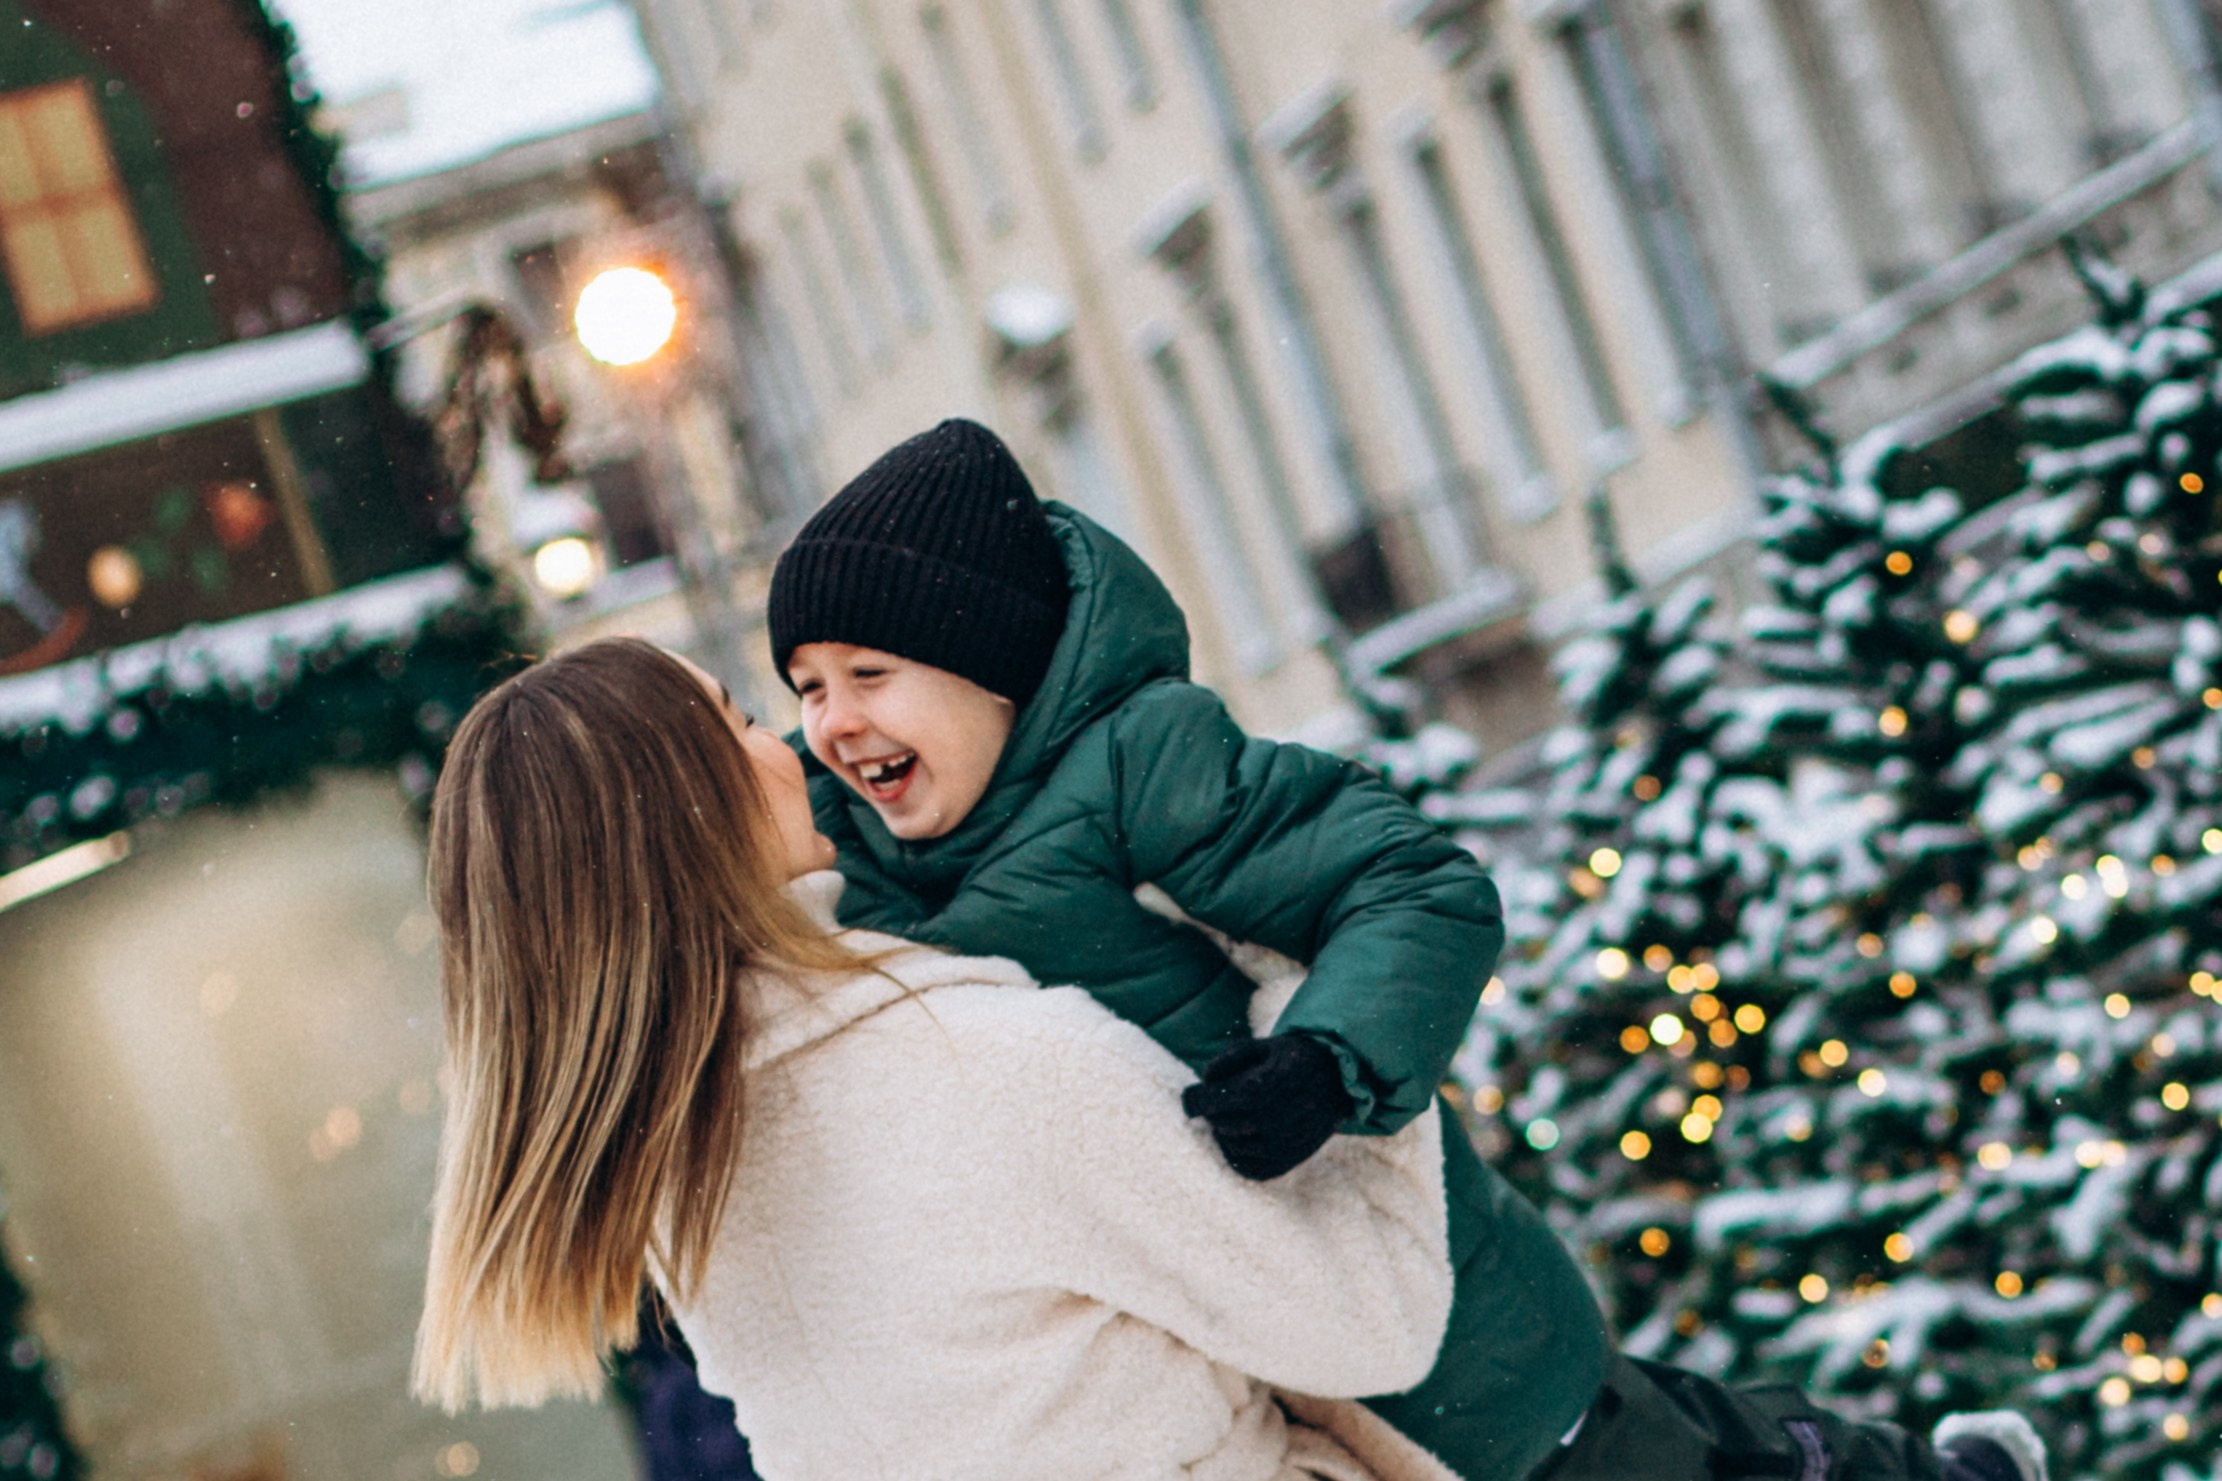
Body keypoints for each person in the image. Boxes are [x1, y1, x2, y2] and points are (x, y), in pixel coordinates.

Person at [765, 418, 2050, 1481]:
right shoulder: (868, 865)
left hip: (1426, 1308)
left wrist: (1325, 1061)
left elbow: (1408, 883)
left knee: (1668, 1463)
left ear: (995, 667)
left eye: (869, 672)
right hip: (1261, 1346)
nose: (831, 722)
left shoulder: (1141, 768)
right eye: (806, 687)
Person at [410, 637, 1460, 1481]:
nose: (791, 747)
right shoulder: (993, 1071)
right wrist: (1305, 999)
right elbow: (1376, 1320)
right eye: (738, 720)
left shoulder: (680, 1176)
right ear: (698, 809)